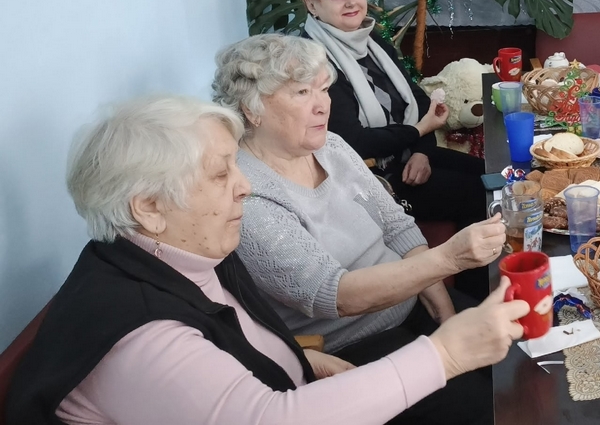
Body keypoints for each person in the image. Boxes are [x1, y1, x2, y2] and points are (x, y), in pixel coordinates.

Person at [5, 95, 527, 425]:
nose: (245, 186)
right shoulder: (138, 337)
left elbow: (233, 341)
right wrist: (445, 355)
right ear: (149, 208)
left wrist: (298, 358)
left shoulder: (179, 254)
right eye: (221, 174)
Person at [212, 34, 506, 423]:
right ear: (252, 110)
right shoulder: (248, 194)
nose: (323, 105)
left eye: (324, 88)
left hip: (412, 303)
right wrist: (449, 259)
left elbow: (398, 229)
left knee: (515, 356)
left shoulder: (330, 146)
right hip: (353, 347)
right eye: (302, 92)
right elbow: (337, 296)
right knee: (488, 407)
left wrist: (445, 312)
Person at [296, 0, 484, 232]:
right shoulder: (313, 62)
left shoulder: (371, 40)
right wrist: (418, 132)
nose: (351, 1)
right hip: (371, 178)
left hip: (407, 152)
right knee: (476, 194)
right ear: (312, 4)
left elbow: (417, 98)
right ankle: (474, 263)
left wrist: (422, 151)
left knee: (492, 175)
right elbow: (355, 142)